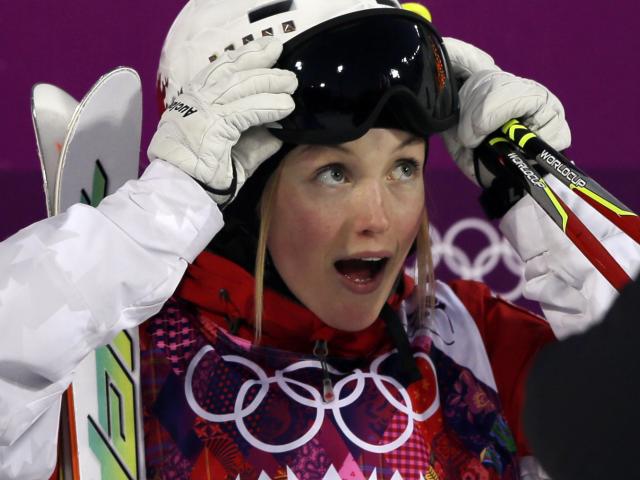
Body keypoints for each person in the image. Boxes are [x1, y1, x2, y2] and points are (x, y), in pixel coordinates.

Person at [0, 1, 637, 479]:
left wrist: (537, 186)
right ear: (243, 192)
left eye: (404, 167)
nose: (379, 219)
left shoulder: (474, 346)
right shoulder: (103, 361)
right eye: (335, 173)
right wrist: (162, 212)